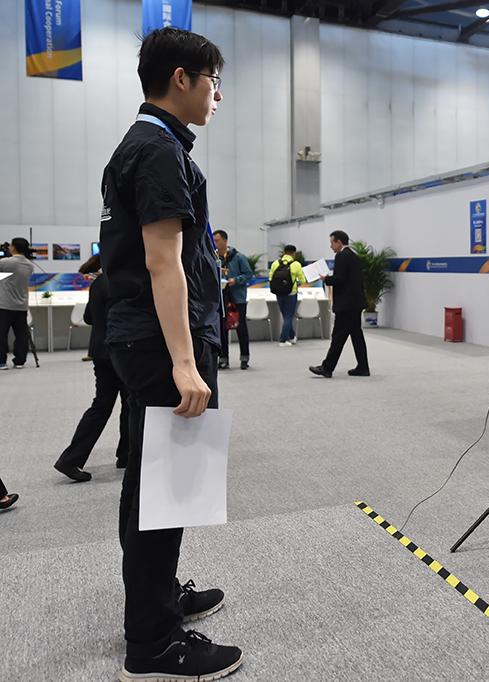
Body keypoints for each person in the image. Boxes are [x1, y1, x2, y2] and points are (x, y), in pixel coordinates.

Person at [99, 27, 242, 680]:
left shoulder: (147, 144)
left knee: (156, 484)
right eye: (214, 81)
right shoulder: (157, 151)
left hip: (141, 336)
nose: (218, 95)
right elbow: (164, 262)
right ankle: (154, 639)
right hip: (160, 342)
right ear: (181, 79)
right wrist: (185, 362)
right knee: (165, 485)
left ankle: (156, 599)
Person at [53, 260, 131, 481]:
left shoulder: (98, 283)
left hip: (100, 351)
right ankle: (126, 454)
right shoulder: (123, 282)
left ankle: (73, 458)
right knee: (128, 404)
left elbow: (88, 317)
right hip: (121, 351)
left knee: (105, 405)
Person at [309, 230, 369, 378]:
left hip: (346, 305)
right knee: (356, 335)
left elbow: (340, 279)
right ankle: (363, 367)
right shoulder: (354, 256)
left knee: (338, 336)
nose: (331, 246)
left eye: (332, 242)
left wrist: (326, 279)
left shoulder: (341, 256)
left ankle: (327, 367)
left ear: (339, 242)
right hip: (356, 303)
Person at [213, 229, 253, 370]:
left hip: (237, 298)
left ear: (225, 240)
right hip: (221, 298)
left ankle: (244, 358)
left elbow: (249, 274)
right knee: (222, 329)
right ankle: (223, 358)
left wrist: (235, 280)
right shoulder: (215, 257)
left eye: (217, 240)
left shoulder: (238, 257)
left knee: (241, 328)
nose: (215, 243)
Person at [0, 237, 34, 370]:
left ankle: (1, 361)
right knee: (21, 335)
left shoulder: (6, 263)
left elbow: (5, 275)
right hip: (21, 305)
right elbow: (14, 277)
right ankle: (20, 360)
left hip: (4, 305)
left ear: (13, 247)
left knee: (1, 334)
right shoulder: (29, 265)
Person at [268, 244, 307, 346]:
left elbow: (270, 278)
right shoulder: (296, 264)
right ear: (294, 253)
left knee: (286, 316)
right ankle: (283, 340)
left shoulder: (275, 263)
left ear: (284, 252)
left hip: (278, 293)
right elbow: (302, 280)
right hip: (291, 293)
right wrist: (297, 283)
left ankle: (292, 336)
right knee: (289, 316)